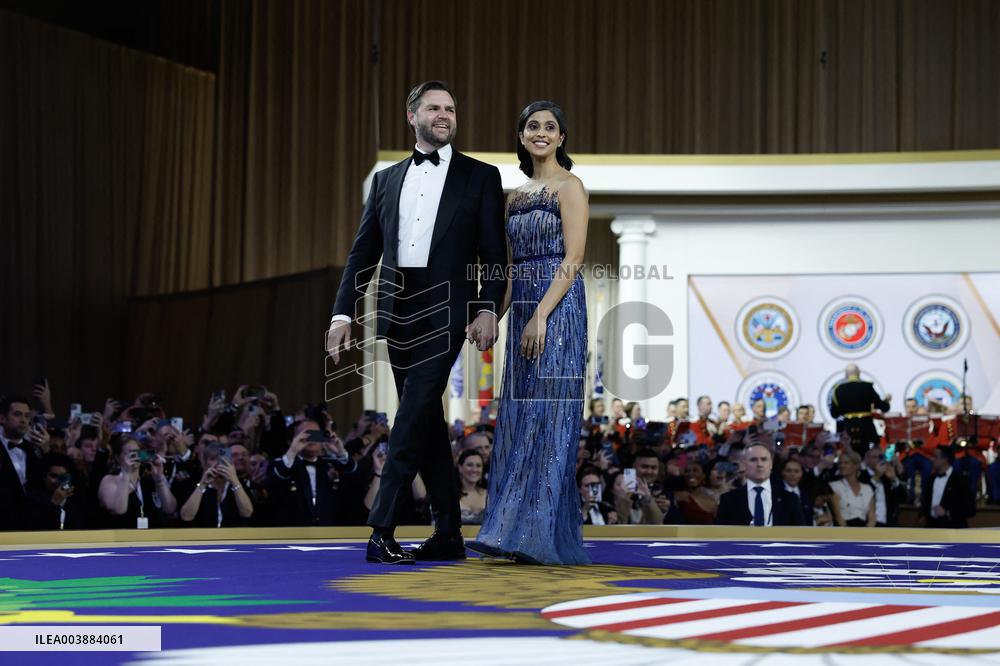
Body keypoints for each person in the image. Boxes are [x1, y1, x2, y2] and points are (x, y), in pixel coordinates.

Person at [326, 81, 507, 564]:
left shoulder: (481, 176)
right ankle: (448, 531)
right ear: (413, 117)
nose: (445, 114)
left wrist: (489, 307)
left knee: (406, 420)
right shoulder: (385, 180)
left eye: (451, 107)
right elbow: (363, 252)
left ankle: (380, 528)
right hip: (396, 310)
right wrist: (343, 312)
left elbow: (495, 254)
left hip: (447, 309)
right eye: (434, 107)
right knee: (425, 421)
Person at [469, 100, 590, 565]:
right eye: (532, 126)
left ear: (562, 138)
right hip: (522, 310)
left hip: (557, 313)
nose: (541, 132)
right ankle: (509, 531)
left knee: (550, 419)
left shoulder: (570, 186)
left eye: (550, 127)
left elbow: (573, 259)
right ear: (521, 136)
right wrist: (492, 318)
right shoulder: (513, 197)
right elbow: (510, 268)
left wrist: (540, 315)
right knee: (520, 419)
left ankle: (535, 535)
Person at [715, 443, 805, 526]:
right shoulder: (728, 500)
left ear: (771, 464)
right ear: (744, 464)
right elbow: (720, 536)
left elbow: (800, 536)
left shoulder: (790, 499)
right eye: (753, 460)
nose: (759, 464)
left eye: (764, 459)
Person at [830, 363, 891, 455]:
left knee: (849, 457)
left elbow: (834, 414)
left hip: (848, 428)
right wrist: (886, 401)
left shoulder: (838, 389)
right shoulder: (867, 387)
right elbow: (883, 407)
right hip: (866, 427)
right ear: (859, 373)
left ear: (846, 375)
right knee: (870, 456)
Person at [921, 445, 975, 528]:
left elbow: (970, 509)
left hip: (953, 529)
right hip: (931, 529)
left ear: (945, 460)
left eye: (935, 457)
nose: (932, 459)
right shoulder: (931, 479)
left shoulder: (960, 480)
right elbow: (925, 502)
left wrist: (947, 513)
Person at [829, 450, 875, 527]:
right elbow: (838, 516)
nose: (842, 466)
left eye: (846, 463)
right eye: (840, 463)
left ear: (856, 465)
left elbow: (872, 517)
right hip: (843, 529)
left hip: (864, 530)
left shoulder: (867, 489)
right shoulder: (834, 486)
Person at [456, 449, 487, 525]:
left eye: (478, 466)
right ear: (460, 468)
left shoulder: (489, 495)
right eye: (469, 465)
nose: (474, 469)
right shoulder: (449, 495)